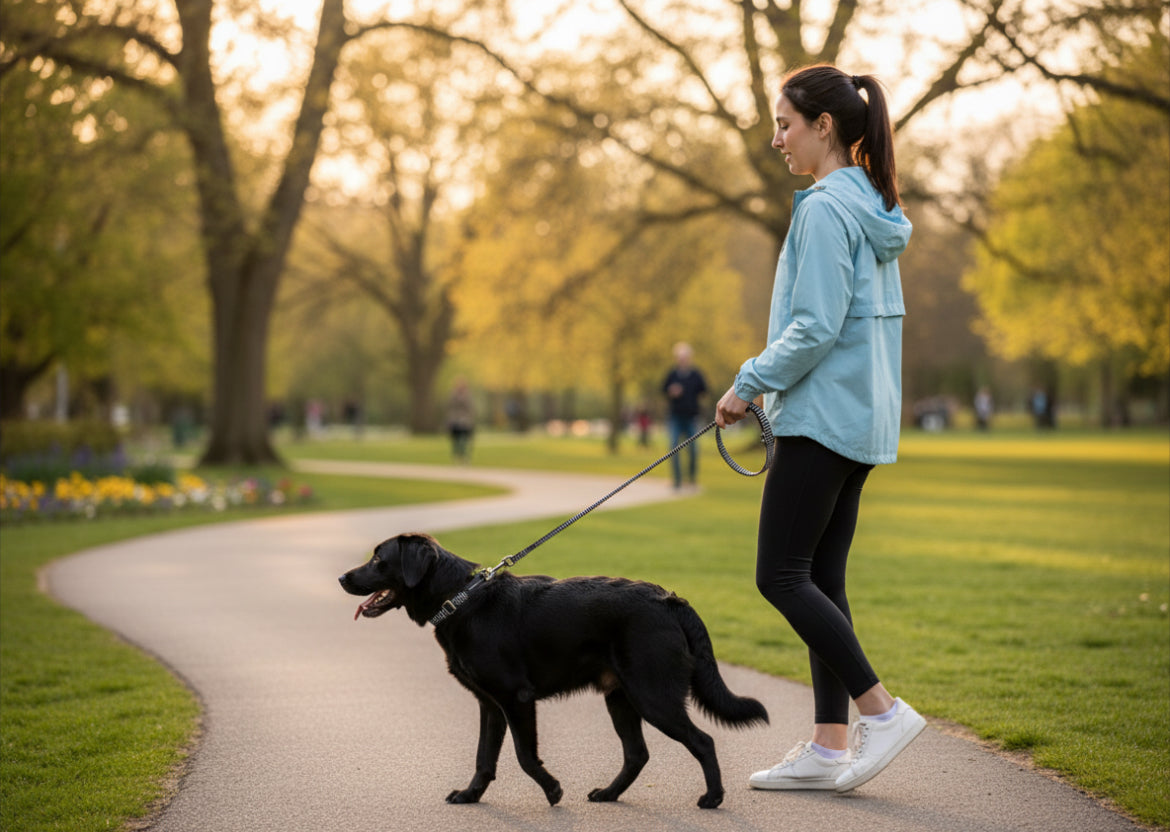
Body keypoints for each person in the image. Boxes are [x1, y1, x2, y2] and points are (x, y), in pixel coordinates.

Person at [714, 65, 926, 794]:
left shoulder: (825, 209)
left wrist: (748, 382)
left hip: (823, 417)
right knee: (820, 579)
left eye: (785, 124)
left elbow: (815, 326)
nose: (776, 139)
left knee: (779, 575)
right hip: (859, 417)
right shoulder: (869, 202)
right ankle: (830, 746)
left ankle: (882, 711)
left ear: (823, 126)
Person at [662, 342, 708, 489]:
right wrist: (672, 391)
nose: (682, 360)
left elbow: (704, 390)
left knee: (693, 449)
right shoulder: (672, 374)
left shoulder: (696, 375)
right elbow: (663, 389)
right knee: (674, 447)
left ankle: (692, 478)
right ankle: (677, 481)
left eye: (685, 357)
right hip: (676, 417)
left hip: (691, 417)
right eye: (680, 357)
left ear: (689, 358)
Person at [447, 378, 476, 463]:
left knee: (465, 439)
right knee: (456, 440)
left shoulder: (468, 396)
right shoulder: (453, 395)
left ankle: (465, 456)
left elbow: (471, 408)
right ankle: (457, 455)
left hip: (465, 421)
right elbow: (450, 408)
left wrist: (470, 419)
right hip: (455, 421)